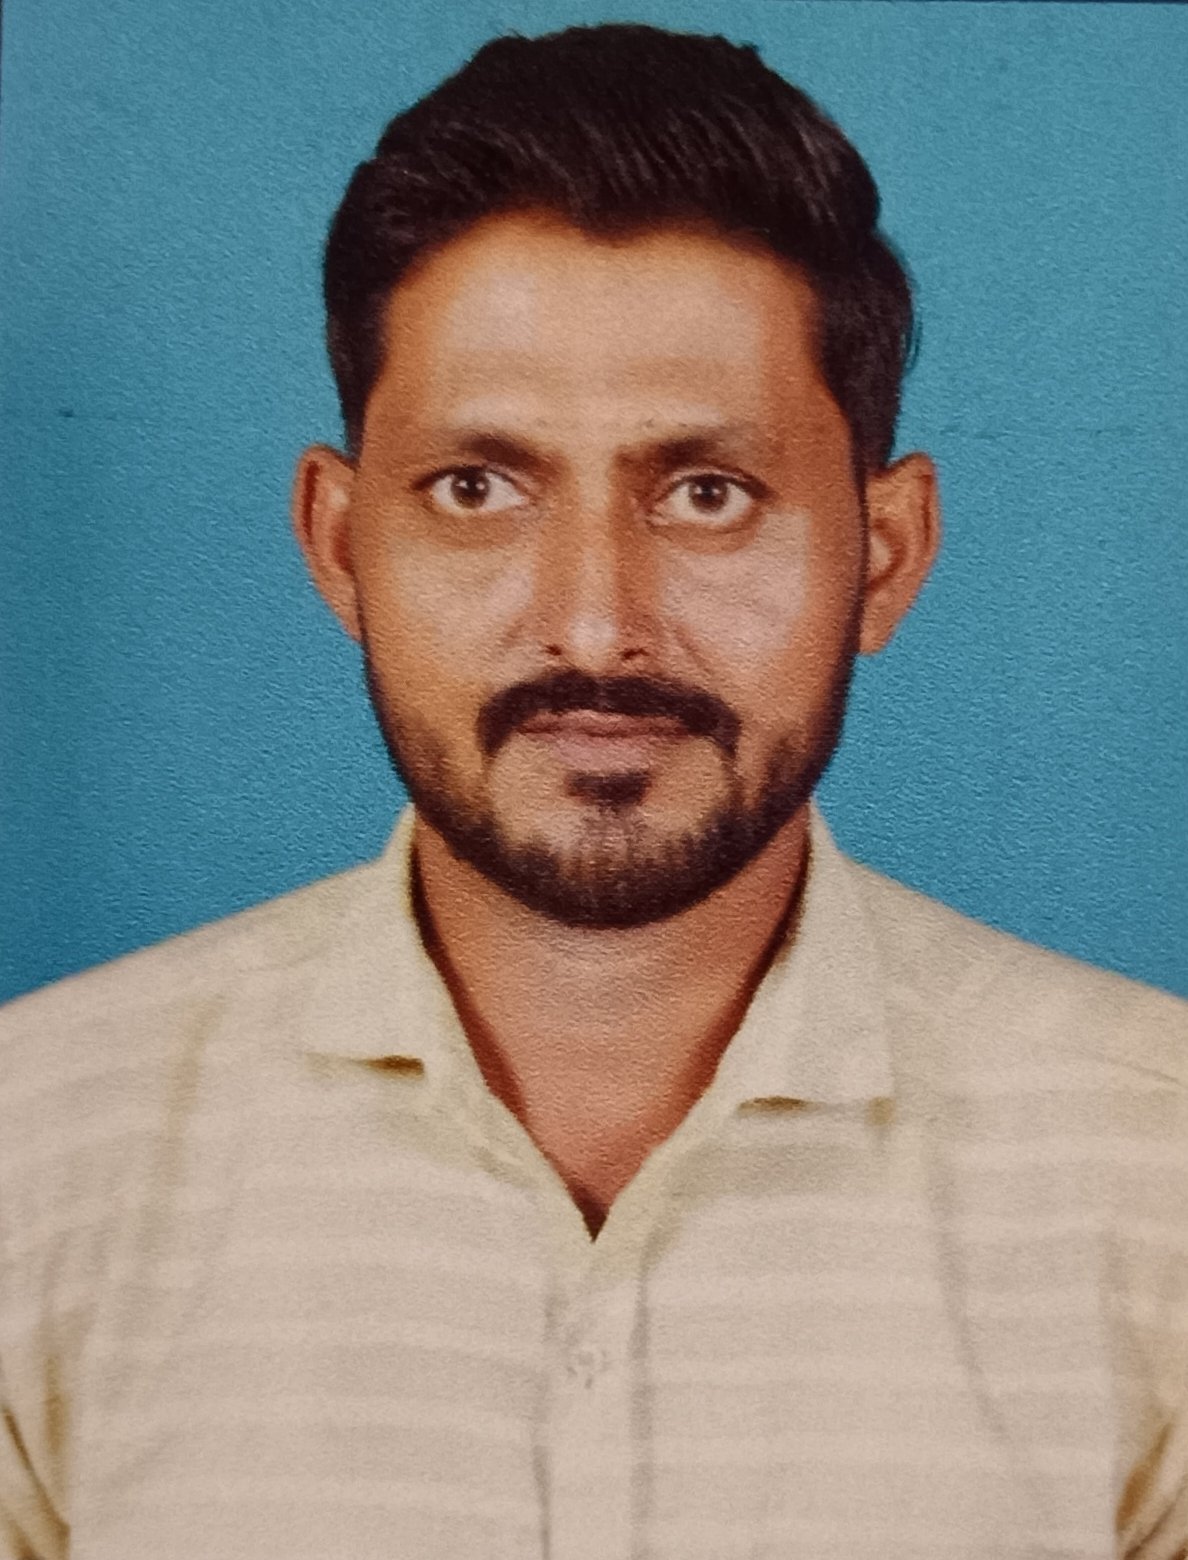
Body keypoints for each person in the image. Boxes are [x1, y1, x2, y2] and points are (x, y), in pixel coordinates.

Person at [1, 22, 1185, 1559]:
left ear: (885, 555)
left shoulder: (1155, 1171)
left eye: (707, 492)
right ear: (341, 547)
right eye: (477, 488)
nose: (593, 625)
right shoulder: (35, 1151)